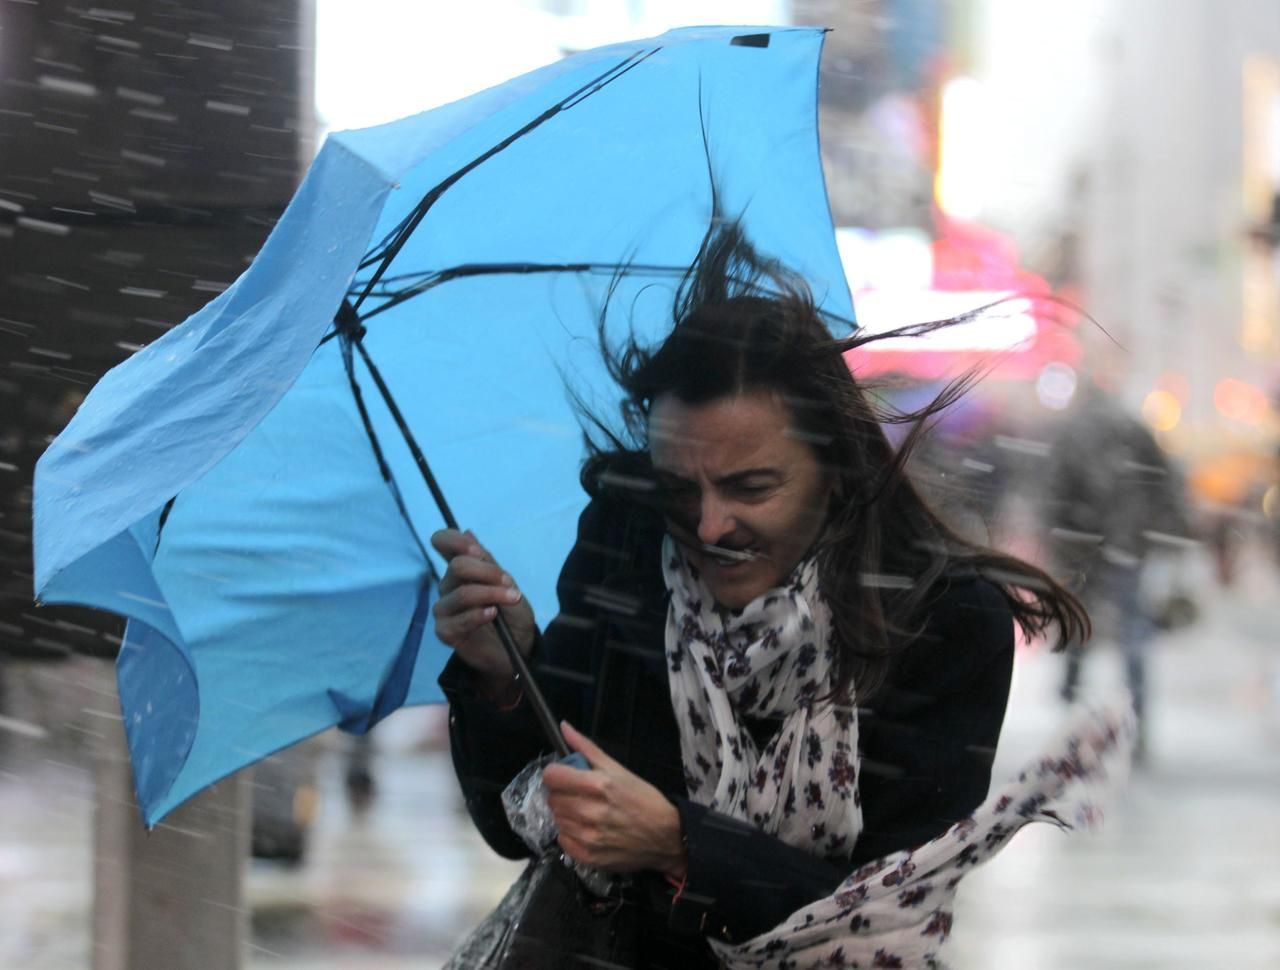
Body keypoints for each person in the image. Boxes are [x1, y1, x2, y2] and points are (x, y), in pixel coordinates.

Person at [432, 224, 1092, 968]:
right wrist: (504, 674)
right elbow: (515, 820)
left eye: (751, 488)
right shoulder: (626, 552)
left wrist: (683, 847)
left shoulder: (942, 622)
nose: (710, 525)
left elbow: (889, 910)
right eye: (681, 489)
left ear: (834, 469)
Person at [1043, 376, 1193, 762]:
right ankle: (1136, 724)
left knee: (1079, 625)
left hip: (1082, 549)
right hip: (1125, 546)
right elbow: (1166, 483)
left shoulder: (1071, 432)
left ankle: (1072, 710)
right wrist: (1167, 531)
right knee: (1133, 636)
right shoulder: (1133, 429)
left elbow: (1052, 491)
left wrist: (1058, 541)